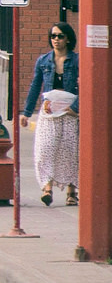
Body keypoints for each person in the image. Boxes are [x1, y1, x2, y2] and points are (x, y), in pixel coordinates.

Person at [25, 22, 82, 206]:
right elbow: (35, 86)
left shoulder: (77, 60)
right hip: (49, 110)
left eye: (60, 36)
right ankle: (47, 188)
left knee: (70, 150)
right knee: (45, 149)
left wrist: (75, 108)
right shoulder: (43, 61)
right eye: (53, 36)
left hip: (70, 111)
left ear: (68, 39)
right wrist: (26, 113)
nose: (56, 39)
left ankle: (71, 192)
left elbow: (86, 86)